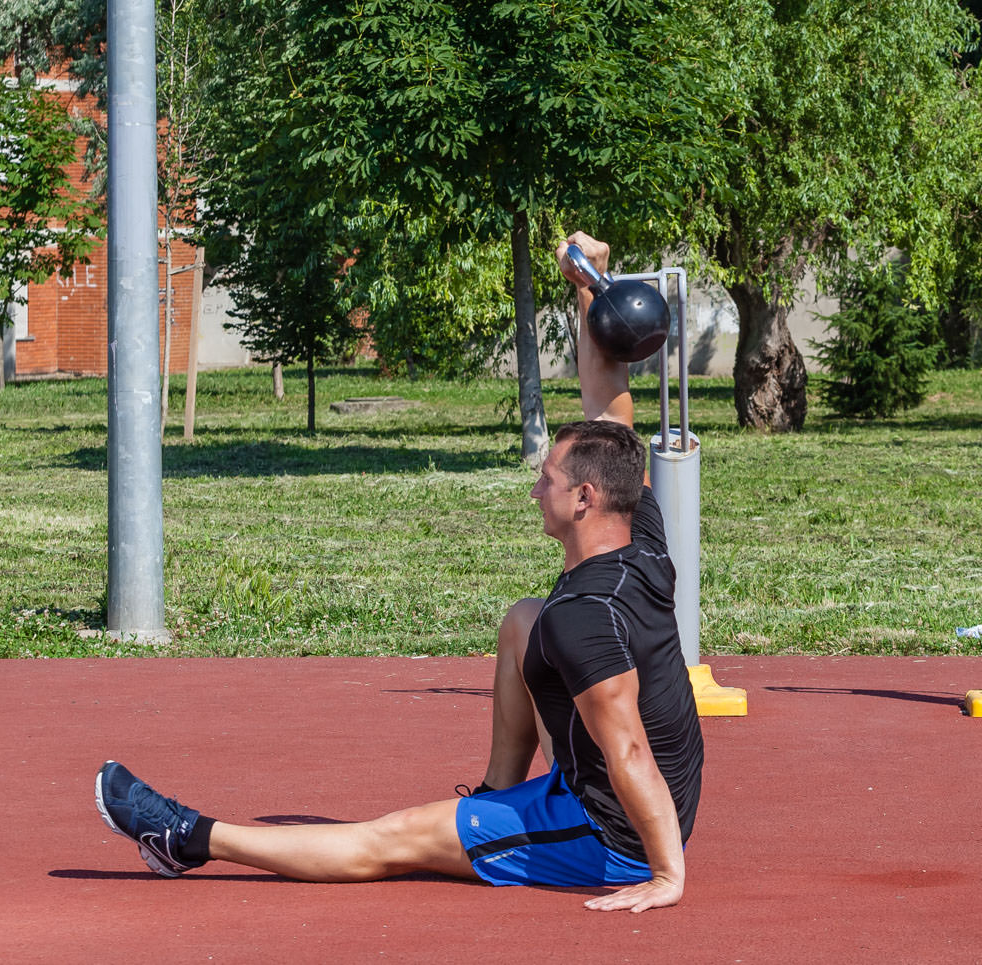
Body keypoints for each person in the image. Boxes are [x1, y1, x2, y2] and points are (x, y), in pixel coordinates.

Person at [95, 231, 704, 914]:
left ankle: (188, 837)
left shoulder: (586, 618)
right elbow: (608, 405)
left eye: (546, 480)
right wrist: (589, 284)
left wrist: (664, 874)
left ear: (584, 498)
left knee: (392, 837)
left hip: (612, 832)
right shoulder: (640, 532)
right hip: (646, 798)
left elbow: (626, 751)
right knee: (523, 620)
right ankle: (498, 799)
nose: (535, 490)